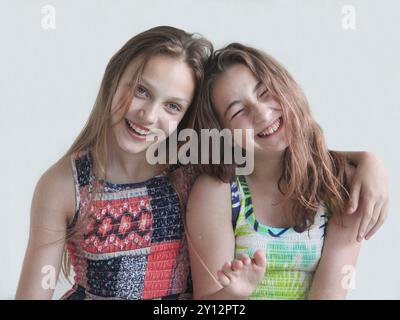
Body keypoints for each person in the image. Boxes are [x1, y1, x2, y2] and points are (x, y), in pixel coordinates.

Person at [16, 26, 212, 300]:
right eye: (141, 90)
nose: (148, 115)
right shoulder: (63, 185)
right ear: (113, 79)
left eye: (172, 106)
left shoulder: (192, 176)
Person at [186, 43, 389, 299]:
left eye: (264, 92)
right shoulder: (218, 190)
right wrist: (233, 295)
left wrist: (371, 159)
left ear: (286, 87)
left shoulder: (339, 184)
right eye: (238, 111)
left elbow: (329, 294)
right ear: (223, 133)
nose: (261, 113)